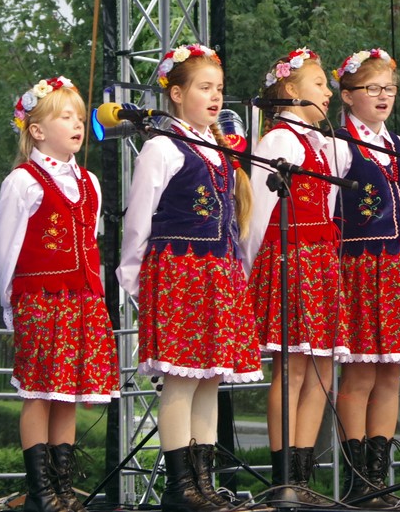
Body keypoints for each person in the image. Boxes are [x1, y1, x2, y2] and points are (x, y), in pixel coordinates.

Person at [118, 44, 263, 512]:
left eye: (219, 88)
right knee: (181, 380)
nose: (215, 97)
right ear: (177, 94)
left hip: (218, 276)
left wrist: (238, 275)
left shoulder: (219, 152)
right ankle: (179, 487)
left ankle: (203, 483)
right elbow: (138, 219)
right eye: (205, 88)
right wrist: (136, 278)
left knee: (209, 380)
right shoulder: (162, 147)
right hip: (179, 274)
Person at [0, 76, 120, 512]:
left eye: (80, 118)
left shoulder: (89, 182)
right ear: (37, 130)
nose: (77, 124)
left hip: (81, 299)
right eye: (66, 117)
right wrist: (11, 305)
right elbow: (5, 247)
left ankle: (63, 488)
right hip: (41, 299)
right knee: (38, 393)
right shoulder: (23, 182)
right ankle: (40, 491)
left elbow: (89, 244)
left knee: (67, 393)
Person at [244, 47, 347, 502]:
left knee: (320, 367)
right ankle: (283, 474)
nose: (329, 92)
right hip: (290, 259)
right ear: (290, 89)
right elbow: (257, 216)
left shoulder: (320, 143)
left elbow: (328, 205)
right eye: (320, 84)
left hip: (319, 258)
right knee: (292, 368)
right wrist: (254, 272)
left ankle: (302, 477)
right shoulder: (278, 142)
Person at [330, 48, 400, 506]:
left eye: (389, 88)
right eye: (372, 88)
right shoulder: (337, 144)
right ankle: (357, 480)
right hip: (359, 265)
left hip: (398, 266)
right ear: (348, 96)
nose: (383, 96)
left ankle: (378, 475)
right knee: (360, 375)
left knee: (391, 375)